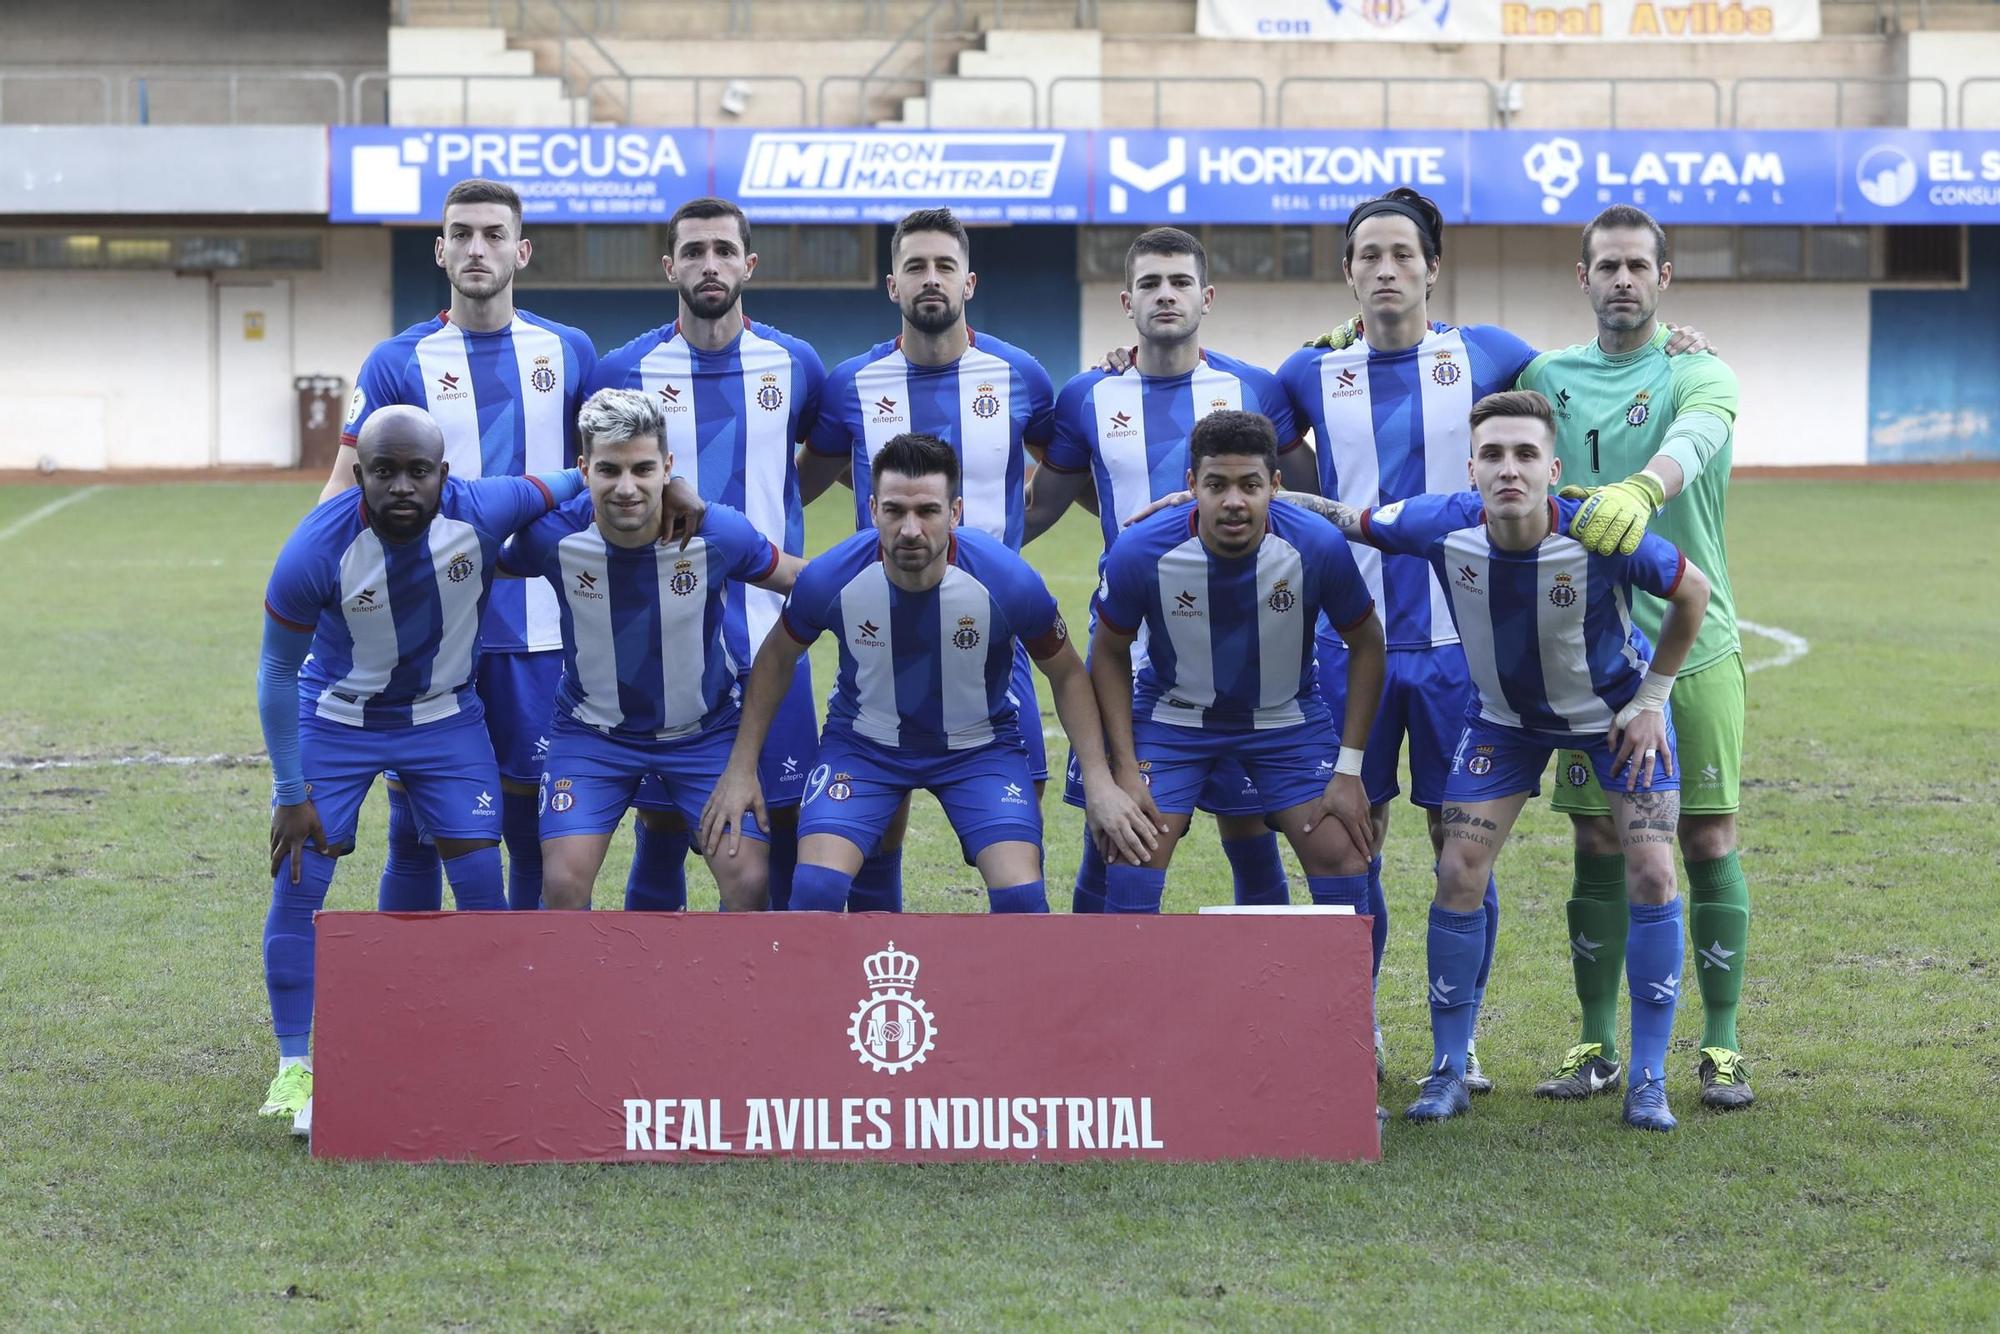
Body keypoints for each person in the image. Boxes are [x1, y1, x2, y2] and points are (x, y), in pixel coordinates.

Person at [1305, 389, 1710, 1130]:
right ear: (1472, 469)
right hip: (1505, 722)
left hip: (1615, 718)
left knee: (1652, 869)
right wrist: (1244, 495)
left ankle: (1648, 1079)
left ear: (1553, 468)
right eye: (1493, 455)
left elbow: (1693, 592)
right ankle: (1449, 1069)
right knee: (1459, 868)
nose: (1509, 469)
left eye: (1526, 454)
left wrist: (1653, 698)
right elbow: (1343, 517)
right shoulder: (1441, 525)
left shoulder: (1601, 533)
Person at [255, 407, 584, 1134]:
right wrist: (289, 791)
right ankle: (292, 1067)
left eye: (417, 471)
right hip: (337, 721)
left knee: (477, 876)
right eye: (383, 471)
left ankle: (489, 1044)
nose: (401, 485)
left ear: (444, 474)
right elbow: (276, 671)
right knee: (300, 874)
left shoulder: (484, 507)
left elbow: (576, 479)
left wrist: (670, 493)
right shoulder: (316, 546)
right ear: (360, 475)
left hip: (444, 722)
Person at [1274, 189, 1537, 1091]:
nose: (1385, 269)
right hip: (1353, 651)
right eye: (1367, 256)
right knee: (1351, 839)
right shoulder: (1306, 375)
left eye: (1401, 254)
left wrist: (1678, 341)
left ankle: (1456, 1048)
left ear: (1432, 267)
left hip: (1467, 656)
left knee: (1460, 846)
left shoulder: (1491, 355)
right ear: (1347, 272)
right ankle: (1359, 1029)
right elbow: (1266, 461)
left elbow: (1585, 384)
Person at [702, 433, 1158, 913]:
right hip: (863, 747)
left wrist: (1100, 781)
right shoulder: (831, 578)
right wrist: (740, 768)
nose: (911, 530)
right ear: (873, 509)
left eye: (928, 511)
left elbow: (1066, 674)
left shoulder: (1008, 581)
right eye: (895, 511)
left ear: (955, 513)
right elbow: (775, 659)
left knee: (1023, 900)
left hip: (978, 749)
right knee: (815, 892)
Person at [1517, 205, 1754, 1110]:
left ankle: (1722, 1044)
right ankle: (1594, 1043)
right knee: (1596, 837)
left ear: (1665, 279)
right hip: (1588, 660)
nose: (1623, 279)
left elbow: (1696, 441)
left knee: (1704, 836)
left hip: (1697, 649)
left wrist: (1638, 489)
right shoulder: (1545, 375)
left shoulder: (1700, 367)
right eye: (1606, 265)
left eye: (1637, 266)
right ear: (1583, 279)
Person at [326, 178, 598, 914]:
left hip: (542, 629)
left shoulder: (569, 352)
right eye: (462, 234)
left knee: (534, 827)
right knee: (414, 831)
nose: (478, 248)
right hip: (427, 633)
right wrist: (322, 591)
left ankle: (530, 997)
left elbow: (600, 476)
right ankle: (409, 1006)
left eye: (494, 234)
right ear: (440, 249)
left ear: (522, 250)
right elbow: (344, 493)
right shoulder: (397, 360)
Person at [1026, 226, 1309, 914]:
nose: (1165, 295)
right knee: (1116, 828)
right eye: (1150, 283)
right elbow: (1041, 507)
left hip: (1243, 654)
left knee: (1250, 829)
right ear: (1126, 300)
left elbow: (1305, 498)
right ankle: (1090, 1011)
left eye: (1180, 282)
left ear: (1206, 297)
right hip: (1130, 652)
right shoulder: (1086, 396)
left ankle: (1257, 1001)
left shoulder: (1255, 387)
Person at [798, 207, 1057, 913]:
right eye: (916, 266)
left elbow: (1064, 472)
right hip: (881, 642)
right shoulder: (850, 383)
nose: (931, 278)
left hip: (993, 648)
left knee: (1016, 838)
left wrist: (1010, 549)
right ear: (892, 284)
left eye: (945, 266)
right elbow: (803, 481)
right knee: (874, 831)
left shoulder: (1020, 376)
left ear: (969, 281)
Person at [587, 197, 826, 912]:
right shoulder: (625, 367)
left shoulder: (796, 363)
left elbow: (815, 464)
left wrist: (762, 523)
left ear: (749, 264)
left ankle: (764, 997)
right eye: (694, 251)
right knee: (659, 827)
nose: (710, 263)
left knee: (777, 821)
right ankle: (651, 1002)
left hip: (770, 632)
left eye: (724, 249)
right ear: (670, 267)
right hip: (659, 643)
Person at [498, 388, 805, 912]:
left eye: (643, 469)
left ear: (667, 467)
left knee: (749, 883)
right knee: (564, 886)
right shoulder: (552, 537)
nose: (626, 488)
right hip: (591, 733)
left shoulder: (719, 533)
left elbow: (804, 582)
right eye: (608, 470)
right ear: (583, 469)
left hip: (704, 733)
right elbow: (475, 561)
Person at [1089, 410, 1385, 924]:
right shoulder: (1141, 549)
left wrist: (1349, 769)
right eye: (1216, 484)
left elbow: (1368, 644)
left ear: (1274, 484)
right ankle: (1127, 1005)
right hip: (1172, 716)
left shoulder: (1316, 546)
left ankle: (1354, 1006)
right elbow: (1109, 652)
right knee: (1132, 850)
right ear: (1191, 485)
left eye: (1250, 485)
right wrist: (1125, 768)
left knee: (1344, 851)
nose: (1233, 501)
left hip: (1285, 717)